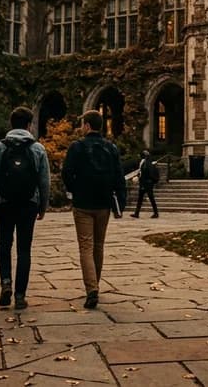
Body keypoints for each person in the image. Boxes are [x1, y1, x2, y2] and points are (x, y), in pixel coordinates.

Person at [0, 107, 51, 311]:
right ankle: (20, 295)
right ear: (29, 125)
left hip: (5, 202)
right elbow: (44, 181)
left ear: (11, 124)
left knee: (3, 245)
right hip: (28, 203)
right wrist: (43, 206)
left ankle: (5, 282)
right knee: (24, 249)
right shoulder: (37, 149)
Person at [61, 111, 127, 310]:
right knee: (99, 245)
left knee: (86, 246)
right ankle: (95, 284)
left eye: (83, 125)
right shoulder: (111, 148)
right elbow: (119, 177)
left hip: (83, 203)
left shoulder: (77, 147)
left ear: (87, 126)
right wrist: (120, 204)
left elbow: (66, 173)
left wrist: (74, 188)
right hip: (104, 203)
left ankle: (92, 289)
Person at [131, 150, 159, 218]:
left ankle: (156, 213)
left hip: (146, 183)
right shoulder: (148, 162)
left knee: (150, 198)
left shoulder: (146, 162)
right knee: (141, 198)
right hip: (146, 183)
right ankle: (137, 213)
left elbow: (144, 172)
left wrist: (139, 178)